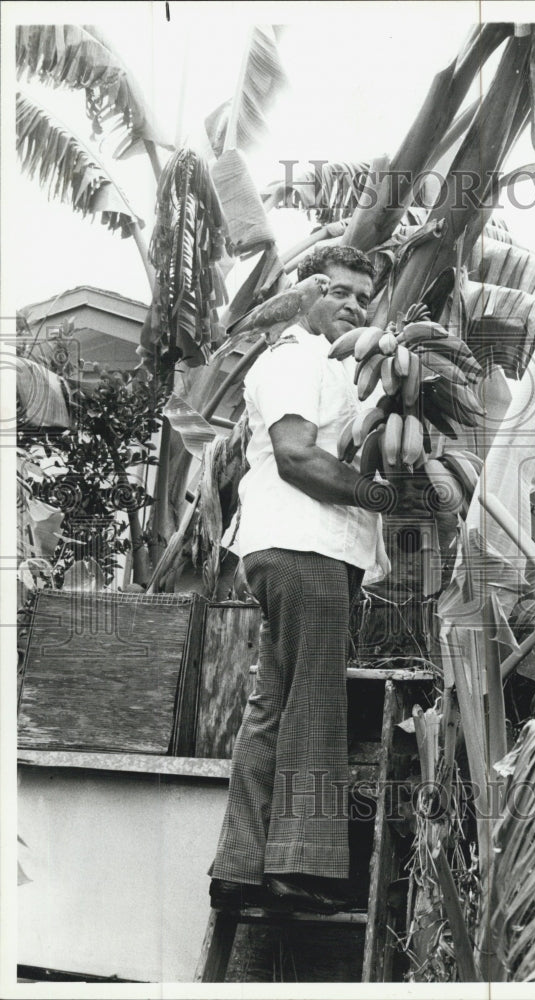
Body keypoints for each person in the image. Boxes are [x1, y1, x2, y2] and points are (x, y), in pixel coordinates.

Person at [209, 246, 397, 913]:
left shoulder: (336, 369)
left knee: (272, 707)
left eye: (361, 297)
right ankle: (300, 872)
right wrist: (381, 498)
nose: (350, 305)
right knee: (316, 703)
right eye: (337, 290)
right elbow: (294, 457)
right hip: (303, 547)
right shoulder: (293, 359)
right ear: (303, 292)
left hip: (285, 550)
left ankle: (237, 869)